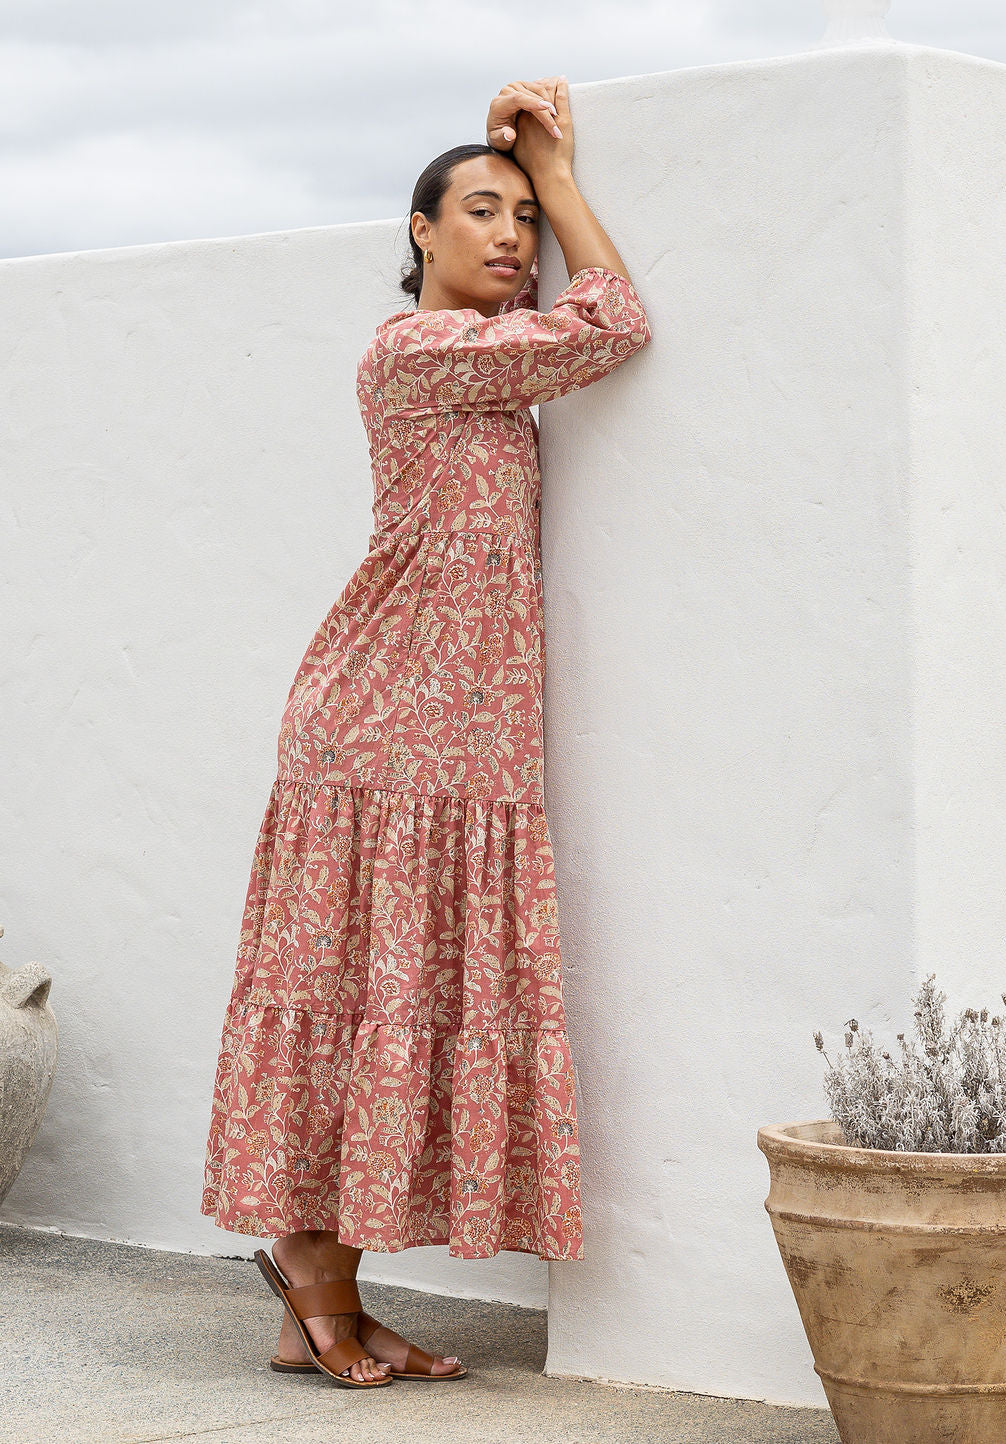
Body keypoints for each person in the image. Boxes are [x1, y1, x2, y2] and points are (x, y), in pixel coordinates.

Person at [200, 75, 651, 1390]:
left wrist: (542, 180)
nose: (514, 236)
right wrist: (564, 176)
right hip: (383, 726)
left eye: (526, 217)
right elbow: (613, 319)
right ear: (419, 233)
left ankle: (314, 1305)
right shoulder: (415, 354)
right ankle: (314, 1282)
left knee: (387, 1004)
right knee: (354, 1009)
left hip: (469, 746)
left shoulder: (486, 375)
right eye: (485, 211)